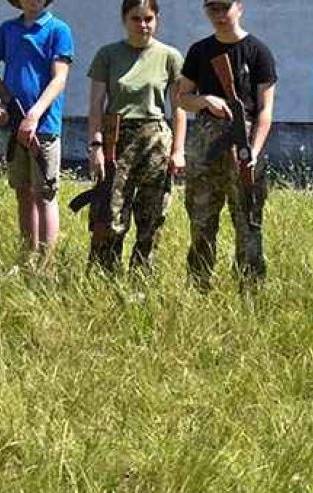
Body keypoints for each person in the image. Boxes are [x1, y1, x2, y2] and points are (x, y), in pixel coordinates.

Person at [175, 0, 277, 293]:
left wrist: (254, 152)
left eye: (225, 8)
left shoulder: (258, 52)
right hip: (206, 146)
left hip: (244, 145)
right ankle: (199, 288)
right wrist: (205, 100)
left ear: (239, 7)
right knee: (201, 220)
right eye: (213, 9)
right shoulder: (200, 51)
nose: (220, 16)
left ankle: (250, 292)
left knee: (248, 222)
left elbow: (265, 110)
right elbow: (182, 98)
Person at [86, 0, 186, 280]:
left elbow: (179, 108)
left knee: (152, 216)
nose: (143, 25)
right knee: (109, 214)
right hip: (115, 138)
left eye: (148, 18)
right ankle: (103, 280)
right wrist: (95, 145)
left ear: (157, 20)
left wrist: (178, 151)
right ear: (124, 19)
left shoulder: (170, 56)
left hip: (155, 140)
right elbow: (95, 105)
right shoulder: (107, 55)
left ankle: (141, 280)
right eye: (136, 18)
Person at [0, 0, 74, 274]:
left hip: (43, 127)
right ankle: (26, 259)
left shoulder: (59, 30)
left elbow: (59, 79)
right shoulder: (7, 29)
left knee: (45, 194)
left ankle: (47, 265)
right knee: (23, 192)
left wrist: (34, 115)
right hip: (13, 127)